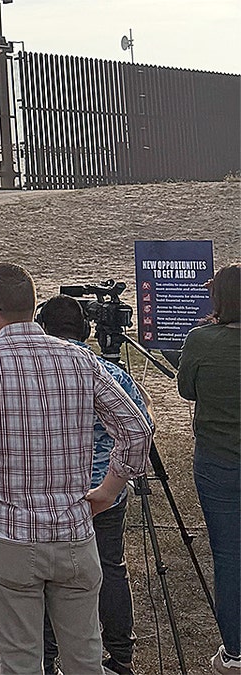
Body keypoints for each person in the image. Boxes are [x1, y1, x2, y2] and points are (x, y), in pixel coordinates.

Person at [0, 263, 152, 674]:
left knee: (20, 661)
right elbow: (137, 428)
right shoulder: (80, 359)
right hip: (74, 533)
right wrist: (109, 489)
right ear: (34, 307)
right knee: (85, 659)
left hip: (9, 534)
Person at [37, 295, 153, 675]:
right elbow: (142, 425)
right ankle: (120, 654)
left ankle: (46, 659)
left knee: (47, 577)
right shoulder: (108, 372)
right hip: (105, 491)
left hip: (51, 494)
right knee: (109, 567)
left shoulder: (31, 373)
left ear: (43, 329)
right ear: (86, 330)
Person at [177, 262, 240, 674]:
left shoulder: (201, 339)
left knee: (230, 556)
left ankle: (235, 652)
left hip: (218, 461)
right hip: (218, 460)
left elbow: (186, 389)